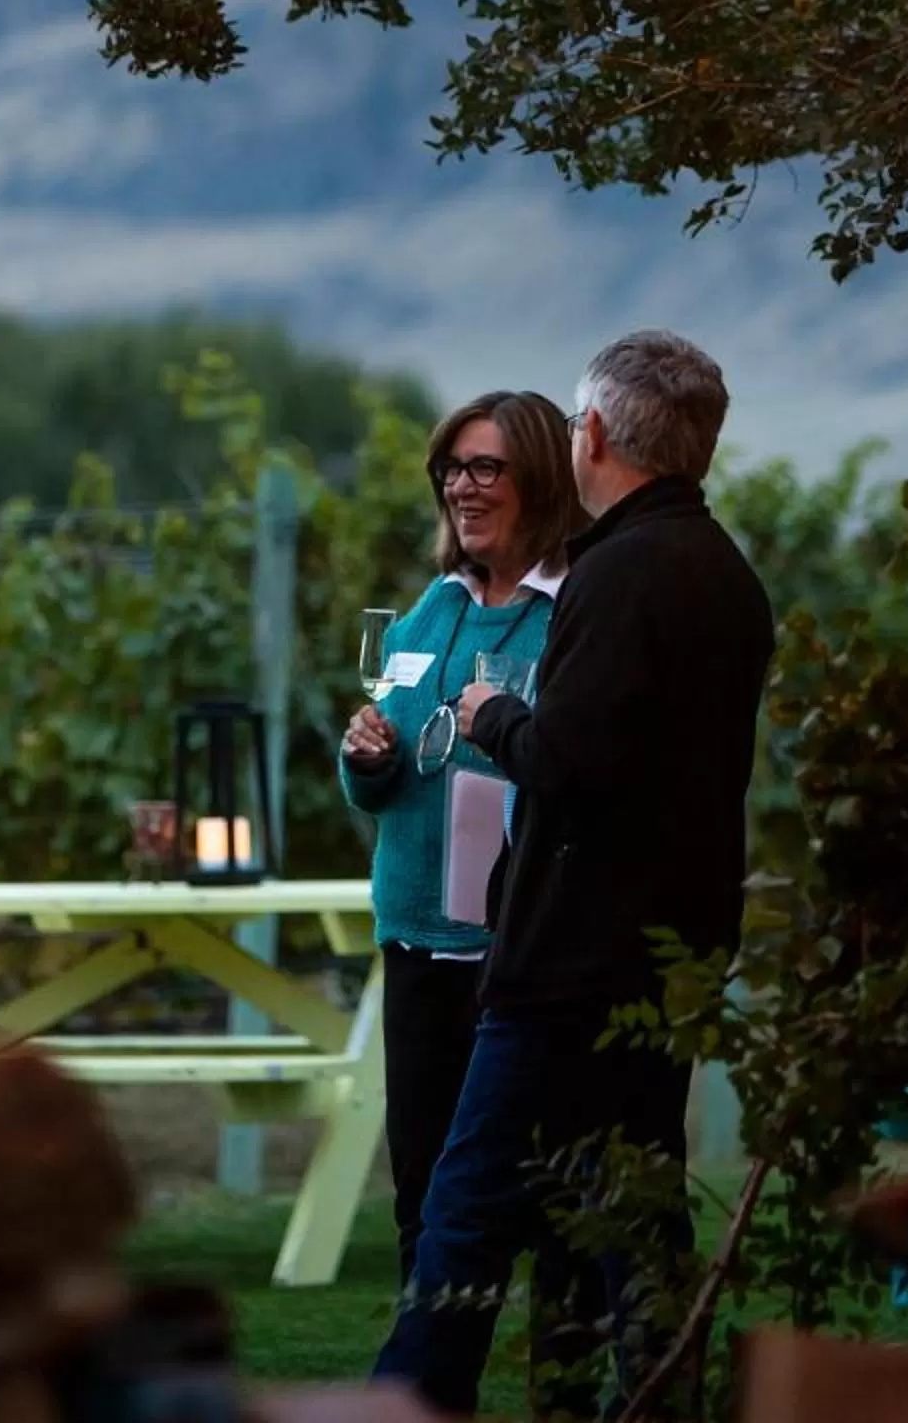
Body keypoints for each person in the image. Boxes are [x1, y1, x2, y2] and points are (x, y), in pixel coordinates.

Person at [371, 331, 776, 1420]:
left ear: (592, 435)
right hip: (671, 947)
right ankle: (653, 1392)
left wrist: (492, 715)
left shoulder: (619, 572)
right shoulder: (730, 575)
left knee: (464, 1204)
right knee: (636, 1207)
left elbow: (570, 759)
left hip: (570, 953)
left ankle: (409, 1401)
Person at [339, 390, 587, 1290]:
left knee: (547, 1199)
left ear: (544, 481)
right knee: (426, 1197)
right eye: (452, 468)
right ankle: (434, 1389)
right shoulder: (429, 612)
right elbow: (388, 779)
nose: (462, 488)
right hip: (413, 944)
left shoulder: (574, 615)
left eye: (487, 467)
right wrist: (367, 756)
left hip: (517, 953)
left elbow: (573, 767)